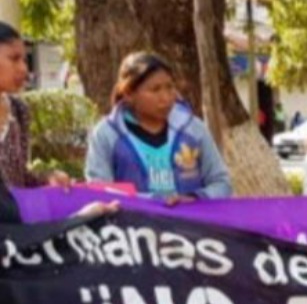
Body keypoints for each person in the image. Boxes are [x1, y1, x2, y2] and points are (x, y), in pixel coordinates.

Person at [85, 52, 232, 204]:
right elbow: (100, 192)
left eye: (170, 87)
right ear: (129, 94)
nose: (166, 98)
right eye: (155, 90)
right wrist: (154, 202)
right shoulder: (107, 134)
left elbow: (221, 183)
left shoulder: (194, 129)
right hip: (134, 226)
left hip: (191, 226)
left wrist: (194, 199)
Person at [0, 22, 69, 189]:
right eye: (14, 59)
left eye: (24, 60)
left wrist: (48, 179)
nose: (24, 69)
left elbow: (19, 177)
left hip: (15, 214)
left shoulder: (18, 110)